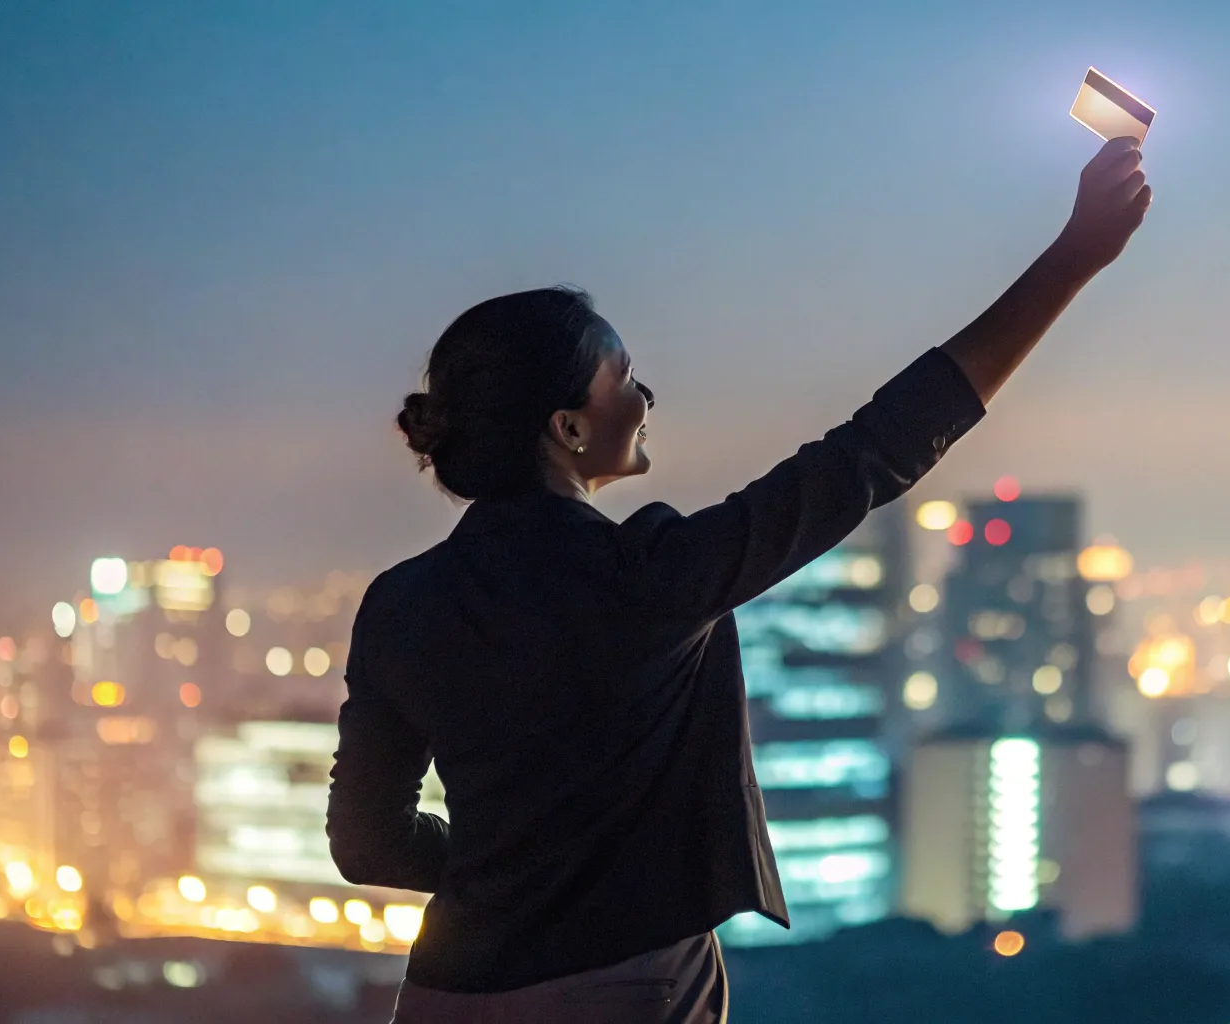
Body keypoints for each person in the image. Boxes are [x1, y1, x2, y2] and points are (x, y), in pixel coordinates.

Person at [328, 136, 1151, 1023]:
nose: (647, 398)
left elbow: (366, 841)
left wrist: (500, 866)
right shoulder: (645, 577)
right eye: (625, 379)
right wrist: (1073, 260)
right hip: (622, 990)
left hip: (441, 994)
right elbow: (875, 452)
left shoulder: (399, 605)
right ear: (567, 427)